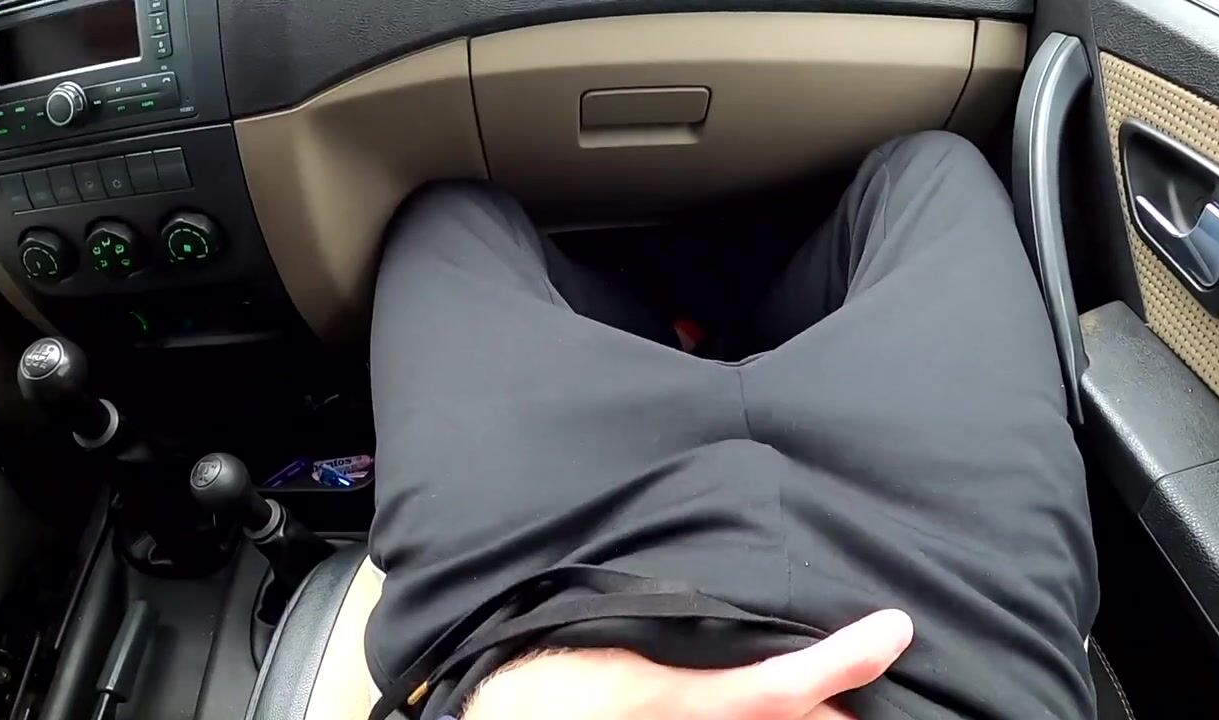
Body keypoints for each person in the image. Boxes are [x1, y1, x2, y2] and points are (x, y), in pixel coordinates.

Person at [364, 131, 1098, 720]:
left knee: (451, 220)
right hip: (946, 626)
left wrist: (518, 702)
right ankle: (728, 340)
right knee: (930, 172)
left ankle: (671, 341)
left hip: (554, 596)